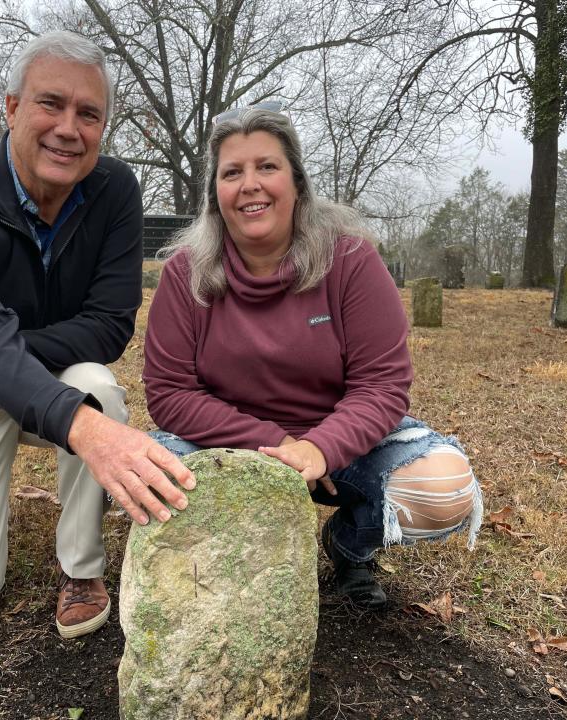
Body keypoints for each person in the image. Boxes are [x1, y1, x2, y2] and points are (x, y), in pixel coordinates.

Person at [0, 31, 194, 638]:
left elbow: (108, 325)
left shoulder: (113, 191)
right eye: (49, 104)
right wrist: (86, 432)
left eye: (89, 113)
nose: (68, 128)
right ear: (11, 108)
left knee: (98, 388)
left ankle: (80, 569)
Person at [142, 105, 482, 608]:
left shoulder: (349, 260)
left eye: (267, 167)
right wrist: (278, 443)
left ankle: (349, 545)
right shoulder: (185, 275)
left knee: (445, 490)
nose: (250, 184)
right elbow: (170, 394)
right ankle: (239, 564)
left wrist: (320, 448)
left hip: (344, 443)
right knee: (147, 479)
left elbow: (382, 384)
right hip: (229, 445)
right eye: (232, 172)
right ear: (215, 193)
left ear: (297, 182)